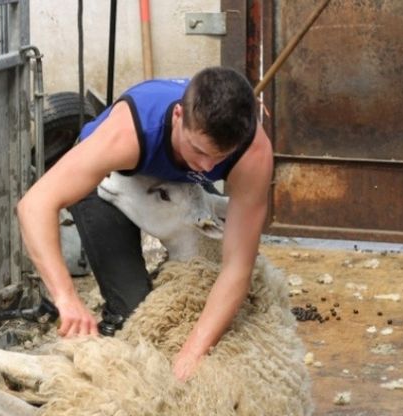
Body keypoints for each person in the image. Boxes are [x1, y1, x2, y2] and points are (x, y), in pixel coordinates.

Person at [15, 66, 272, 382]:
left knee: (205, 304)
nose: (208, 167)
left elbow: (237, 268)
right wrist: (66, 297)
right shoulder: (126, 134)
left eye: (219, 158)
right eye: (199, 150)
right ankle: (111, 329)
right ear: (178, 115)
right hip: (110, 181)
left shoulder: (251, 153)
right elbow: (34, 205)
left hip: (180, 182)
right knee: (135, 311)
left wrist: (192, 353)